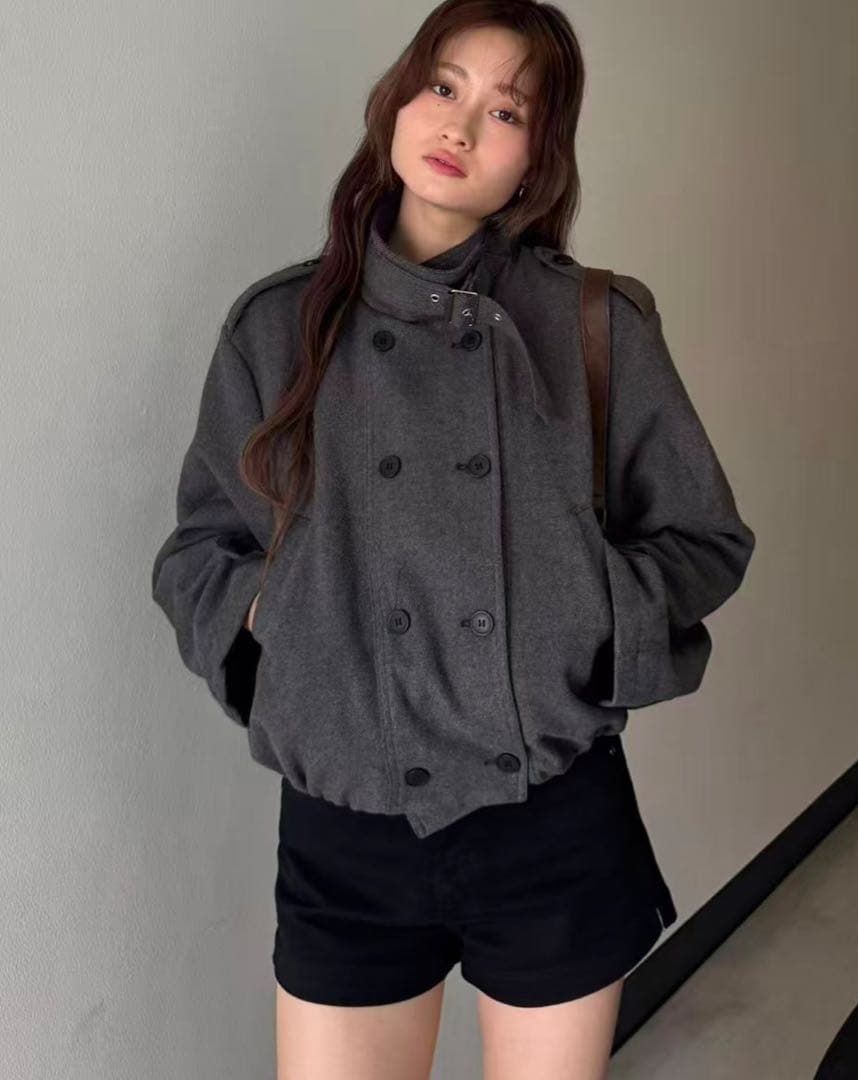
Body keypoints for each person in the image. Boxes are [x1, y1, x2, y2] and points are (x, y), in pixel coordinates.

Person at [151, 2, 756, 1077]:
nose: (461, 126)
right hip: (345, 824)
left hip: (549, 821)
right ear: (397, 101)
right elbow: (200, 549)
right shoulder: (276, 329)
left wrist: (577, 616)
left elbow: (704, 537)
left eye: (506, 110)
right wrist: (284, 641)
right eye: (443, 86)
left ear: (538, 160)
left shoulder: (596, 325)